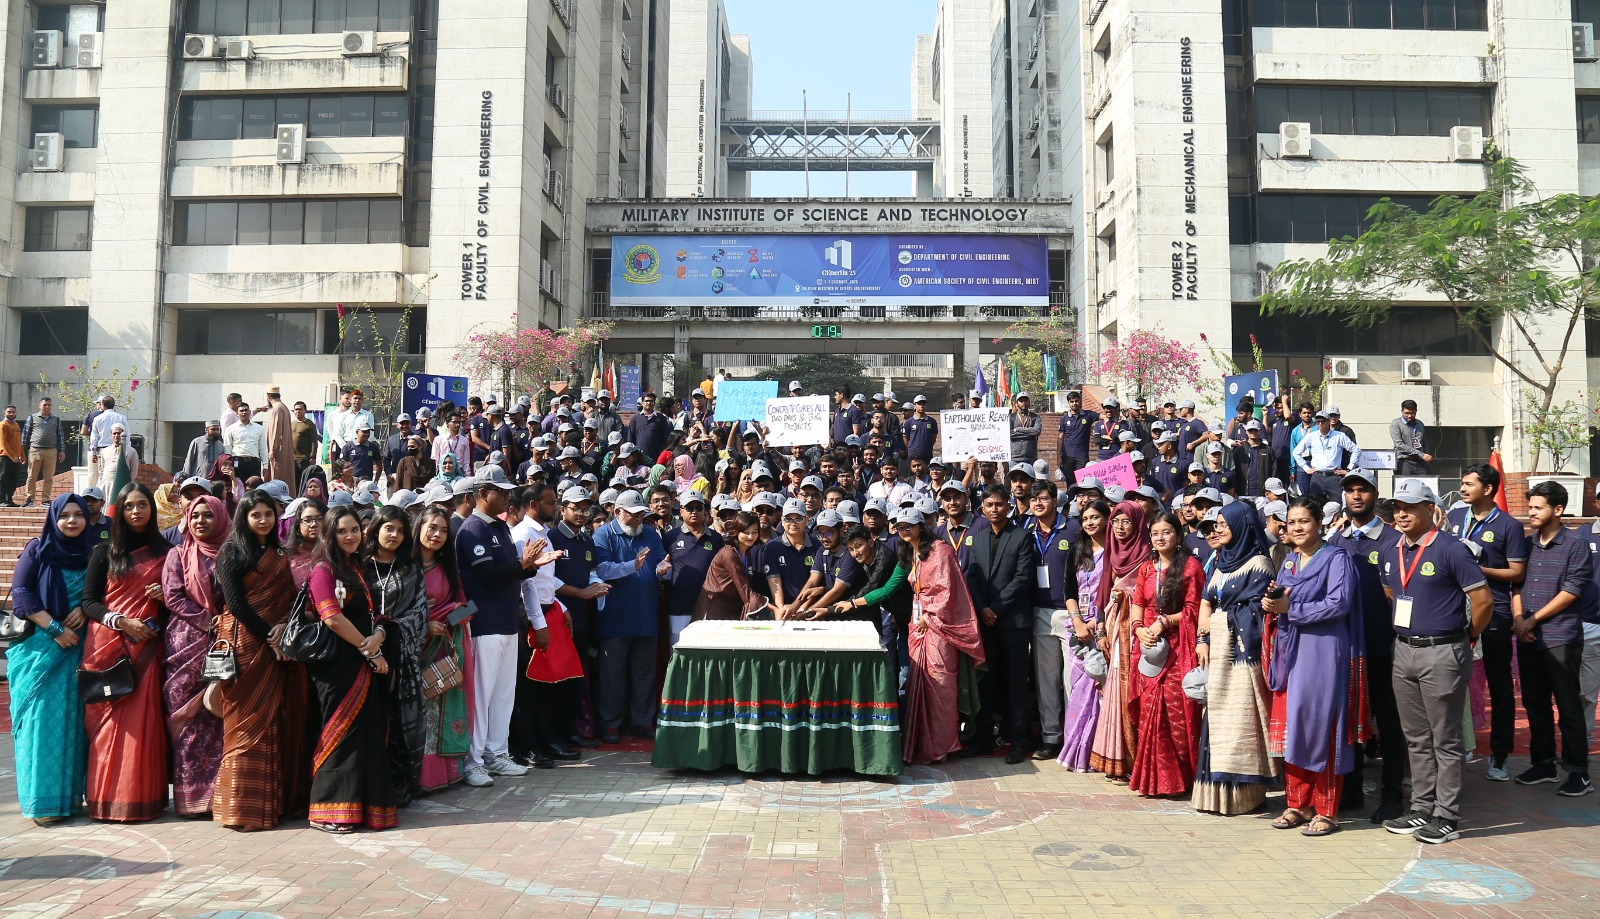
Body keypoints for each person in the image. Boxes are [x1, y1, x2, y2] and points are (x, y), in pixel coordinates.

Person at [1379, 480, 1492, 845]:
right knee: (1415, 737)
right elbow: (1391, 591)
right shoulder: (1391, 548)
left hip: (1443, 651)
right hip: (1404, 649)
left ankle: (1446, 814)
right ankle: (1421, 807)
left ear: (1430, 510)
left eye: (1410, 507)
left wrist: (1467, 636)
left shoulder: (1450, 549)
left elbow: (1483, 601)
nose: (1401, 514)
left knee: (1445, 737)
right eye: (1398, 507)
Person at [1261, 498, 1363, 837]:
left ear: (1320, 523)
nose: (1297, 527)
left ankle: (1327, 810)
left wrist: (1291, 608)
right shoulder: (1289, 560)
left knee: (1323, 726)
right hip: (1291, 649)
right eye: (1292, 522)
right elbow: (1283, 601)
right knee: (1294, 725)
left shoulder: (1337, 559)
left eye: (1304, 520)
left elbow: (1339, 603)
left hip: (1324, 649)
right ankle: (1297, 804)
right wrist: (1272, 603)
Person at [81, 482, 175, 822]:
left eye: (142, 505)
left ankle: (141, 799)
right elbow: (89, 602)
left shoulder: (168, 553)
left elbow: (178, 603)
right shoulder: (105, 551)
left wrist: (165, 597)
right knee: (107, 726)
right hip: (108, 647)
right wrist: (121, 621)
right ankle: (105, 800)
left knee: (142, 724)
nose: (136, 511)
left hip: (147, 649)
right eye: (130, 506)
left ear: (152, 509)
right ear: (120, 510)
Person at [212, 490, 305, 831]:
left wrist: (284, 630)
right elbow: (236, 604)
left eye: (268, 513)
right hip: (246, 646)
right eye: (256, 515)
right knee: (243, 723)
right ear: (244, 518)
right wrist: (271, 636)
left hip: (277, 643)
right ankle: (238, 809)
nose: (263, 520)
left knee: (273, 720)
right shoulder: (232, 552)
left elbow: (291, 598)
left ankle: (269, 806)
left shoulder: (280, 554)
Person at [306, 505, 396, 833]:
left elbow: (375, 613)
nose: (350, 536)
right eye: (342, 531)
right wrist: (370, 651)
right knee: (340, 736)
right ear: (329, 534)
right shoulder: (323, 570)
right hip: (338, 666)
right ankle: (326, 812)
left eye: (354, 529)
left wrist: (380, 634)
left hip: (363, 658)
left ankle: (363, 808)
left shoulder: (357, 567)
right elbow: (332, 618)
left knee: (366, 736)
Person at [8, 493, 94, 824]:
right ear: (54, 519)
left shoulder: (93, 553)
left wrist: (84, 609)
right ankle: (40, 804)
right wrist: (56, 629)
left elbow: (99, 595)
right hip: (42, 649)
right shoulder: (38, 549)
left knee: (72, 724)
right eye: (65, 515)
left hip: (79, 651)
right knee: (41, 723)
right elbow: (21, 594)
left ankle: (67, 801)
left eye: (78, 515)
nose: (72, 521)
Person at [455, 466, 543, 785]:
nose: (508, 497)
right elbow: (488, 575)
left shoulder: (500, 527)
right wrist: (522, 564)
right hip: (484, 623)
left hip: (506, 622)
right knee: (481, 696)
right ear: (482, 493)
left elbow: (512, 571)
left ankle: (497, 753)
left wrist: (528, 566)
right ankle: (474, 761)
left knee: (504, 694)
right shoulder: (472, 529)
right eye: (501, 491)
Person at [1327, 471, 1407, 823]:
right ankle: (1352, 789)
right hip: (1346, 649)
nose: (1356, 496)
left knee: (1388, 723)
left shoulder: (1394, 540)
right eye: (1350, 491)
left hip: (1384, 647)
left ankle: (1392, 795)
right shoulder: (1336, 540)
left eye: (1363, 490)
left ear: (1375, 494)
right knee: (1349, 721)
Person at [1192, 501, 1278, 816]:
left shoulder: (1259, 563)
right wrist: (1202, 640)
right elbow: (1206, 601)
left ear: (1241, 526)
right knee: (1215, 722)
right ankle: (1213, 798)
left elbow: (1258, 612)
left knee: (1241, 725)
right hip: (1218, 654)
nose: (1218, 530)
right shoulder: (1220, 562)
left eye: (1223, 524)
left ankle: (1245, 798)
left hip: (1244, 657)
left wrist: (1218, 620)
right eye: (1216, 525)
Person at [1446, 463, 1527, 781]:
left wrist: (1476, 570)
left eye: (1469, 484)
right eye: (1462, 483)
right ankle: (1460, 744)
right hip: (1454, 611)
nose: (1463, 488)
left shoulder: (1509, 525)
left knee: (1499, 685)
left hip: (1494, 612)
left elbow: (1516, 572)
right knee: (1453, 683)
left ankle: (1500, 755)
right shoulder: (1454, 518)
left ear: (1489, 489)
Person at [1511, 481, 1592, 796]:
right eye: (1530, 507)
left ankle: (1578, 772)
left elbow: (1572, 590)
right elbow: (1516, 585)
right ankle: (1543, 764)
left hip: (1561, 638)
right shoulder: (1526, 544)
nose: (1531, 512)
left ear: (1558, 510)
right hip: (1528, 637)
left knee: (1568, 706)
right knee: (1535, 704)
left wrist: (1533, 620)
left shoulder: (1575, 545)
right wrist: (1520, 620)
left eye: (1538, 507)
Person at [898, 509, 986, 765]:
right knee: (919, 682)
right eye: (900, 526)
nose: (905, 530)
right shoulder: (912, 552)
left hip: (940, 627)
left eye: (909, 525)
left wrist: (929, 616)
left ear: (921, 525)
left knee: (940, 684)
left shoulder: (941, 550)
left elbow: (948, 591)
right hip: (918, 626)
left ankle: (942, 746)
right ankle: (920, 744)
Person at [159, 495, 228, 818]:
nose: (201, 521)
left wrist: (224, 622)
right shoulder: (177, 554)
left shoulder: (232, 554)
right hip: (184, 647)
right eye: (195, 515)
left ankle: (216, 797)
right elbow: (172, 595)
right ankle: (189, 800)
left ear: (221, 518)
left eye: (208, 515)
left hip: (223, 645)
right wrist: (206, 620)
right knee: (185, 724)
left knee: (217, 721)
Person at [1125, 511, 1203, 796]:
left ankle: (1180, 781)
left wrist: (1166, 621)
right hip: (1149, 648)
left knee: (1177, 712)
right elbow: (1138, 603)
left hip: (1178, 648)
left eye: (1166, 532)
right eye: (1155, 533)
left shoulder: (1191, 567)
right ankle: (1153, 781)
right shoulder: (1147, 568)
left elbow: (1195, 608)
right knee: (1149, 712)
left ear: (1178, 536)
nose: (1160, 538)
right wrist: (1137, 630)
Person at [963, 486, 1040, 763]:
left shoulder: (1022, 537)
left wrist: (994, 609)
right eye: (988, 504)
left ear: (1008, 506)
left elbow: (1023, 578)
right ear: (982, 508)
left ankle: (1018, 741)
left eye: (998, 504)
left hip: (1014, 622)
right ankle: (983, 738)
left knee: (1016, 683)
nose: (993, 509)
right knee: (987, 682)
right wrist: (982, 608)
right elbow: (971, 576)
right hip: (986, 623)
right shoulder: (977, 538)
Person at [592, 489, 667, 742]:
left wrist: (662, 569)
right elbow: (603, 569)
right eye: (633, 514)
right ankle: (611, 724)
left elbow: (660, 563)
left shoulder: (651, 534)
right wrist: (631, 566)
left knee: (644, 674)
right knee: (612, 677)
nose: (638, 519)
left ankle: (642, 722)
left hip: (645, 616)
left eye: (641, 514)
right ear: (618, 512)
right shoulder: (603, 534)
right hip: (615, 618)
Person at [366, 505, 428, 803]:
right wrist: (367, 637)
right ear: (376, 529)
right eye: (389, 528)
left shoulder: (410, 569)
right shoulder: (359, 566)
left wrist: (386, 633)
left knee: (399, 723)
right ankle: (369, 790)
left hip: (400, 659)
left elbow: (419, 612)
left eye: (401, 531)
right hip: (361, 651)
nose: (394, 535)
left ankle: (399, 788)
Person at [1089, 501, 1151, 780]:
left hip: (1138, 632)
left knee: (1135, 691)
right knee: (1115, 691)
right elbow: (1102, 597)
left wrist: (1126, 597)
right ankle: (1117, 760)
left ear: (1138, 524)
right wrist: (1101, 631)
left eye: (1127, 522)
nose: (1120, 527)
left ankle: (1137, 760)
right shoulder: (1110, 553)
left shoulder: (1147, 554)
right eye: (1116, 521)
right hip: (1114, 634)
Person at [415, 506, 474, 792]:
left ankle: (441, 775)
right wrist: (423, 624)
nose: (437, 534)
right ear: (419, 528)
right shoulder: (405, 567)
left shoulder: (448, 569)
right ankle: (417, 777)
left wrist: (447, 618)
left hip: (443, 649)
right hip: (413, 650)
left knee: (439, 713)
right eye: (432, 528)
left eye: (443, 530)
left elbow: (469, 608)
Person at [1059, 498, 1111, 772]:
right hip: (1078, 630)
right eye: (1086, 518)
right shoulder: (1078, 551)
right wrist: (1078, 621)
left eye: (1095, 517)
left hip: (1105, 628)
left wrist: (1099, 622)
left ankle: (1101, 752)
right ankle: (1076, 750)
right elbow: (1069, 591)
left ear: (1107, 518)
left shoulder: (1116, 552)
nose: (1090, 522)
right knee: (1078, 689)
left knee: (1103, 689)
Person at [659, 491, 725, 642]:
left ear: (704, 511)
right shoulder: (671, 537)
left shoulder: (716, 538)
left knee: (706, 649)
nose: (694, 512)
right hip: (679, 606)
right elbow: (663, 566)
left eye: (698, 508)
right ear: (681, 511)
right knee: (678, 649)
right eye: (689, 508)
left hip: (708, 605)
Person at [692, 510, 771, 620]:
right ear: (736, 532)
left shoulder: (747, 553)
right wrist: (774, 609)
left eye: (754, 532)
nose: (750, 536)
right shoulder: (728, 553)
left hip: (731, 609)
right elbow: (744, 589)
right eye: (746, 532)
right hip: (714, 608)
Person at [1293, 410, 1357, 504]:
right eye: (1318, 422)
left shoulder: (1339, 436)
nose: (1320, 424)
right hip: (1317, 476)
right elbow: (1296, 452)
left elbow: (1356, 450)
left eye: (1323, 421)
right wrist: (1306, 468)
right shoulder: (1311, 436)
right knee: (1316, 505)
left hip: (1334, 476)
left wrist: (1349, 469)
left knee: (1338, 505)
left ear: (1328, 421)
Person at [21, 396, 65, 506]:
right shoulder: (32, 418)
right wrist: (21, 450)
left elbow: (60, 435)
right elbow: (25, 435)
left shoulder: (56, 419)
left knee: (49, 477)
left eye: (49, 405)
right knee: (32, 476)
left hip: (51, 451)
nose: (47, 407)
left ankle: (45, 499)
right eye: (45, 405)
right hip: (35, 450)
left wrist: (62, 451)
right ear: (40, 406)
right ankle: (30, 499)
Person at [285, 499, 323, 587]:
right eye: (307, 520)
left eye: (320, 519)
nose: (314, 524)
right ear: (298, 525)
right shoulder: (287, 559)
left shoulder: (336, 555)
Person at [1390, 399, 1432, 476]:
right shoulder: (1396, 424)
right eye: (1406, 413)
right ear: (1402, 411)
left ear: (1416, 411)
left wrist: (1426, 456)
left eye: (1412, 413)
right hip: (1404, 461)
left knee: (1424, 483)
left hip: (1421, 462)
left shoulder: (1420, 424)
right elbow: (1399, 445)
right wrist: (1421, 454)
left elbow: (1424, 442)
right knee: (1405, 483)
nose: (1409, 416)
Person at [225, 402, 267, 481]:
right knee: (238, 486)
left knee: (254, 485)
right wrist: (228, 465)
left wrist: (265, 466)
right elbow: (227, 448)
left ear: (250, 412)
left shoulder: (259, 428)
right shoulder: (230, 429)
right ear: (237, 413)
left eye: (246, 410)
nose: (244, 412)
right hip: (237, 462)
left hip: (253, 462)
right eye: (241, 411)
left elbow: (263, 447)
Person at [97, 424, 140, 497]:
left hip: (122, 484)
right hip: (106, 484)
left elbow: (133, 470)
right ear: (110, 435)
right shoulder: (104, 451)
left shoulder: (131, 451)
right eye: (114, 433)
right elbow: (102, 469)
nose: (116, 435)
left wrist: (129, 486)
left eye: (119, 433)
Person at [291, 401, 321, 478]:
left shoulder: (309, 424)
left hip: (304, 458)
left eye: (300, 409)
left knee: (303, 479)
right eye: (296, 409)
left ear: (305, 411)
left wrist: (312, 457)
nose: (298, 411)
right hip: (292, 458)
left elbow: (314, 442)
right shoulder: (292, 424)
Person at [1009, 393, 1041, 462]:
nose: (1024, 403)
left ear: (1029, 402)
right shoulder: (1011, 417)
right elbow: (1009, 434)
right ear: (1016, 403)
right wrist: (1030, 434)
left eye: (1026, 400)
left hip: (1031, 457)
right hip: (1014, 457)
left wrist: (1018, 429)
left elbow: (1036, 431)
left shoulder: (1035, 417)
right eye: (1021, 401)